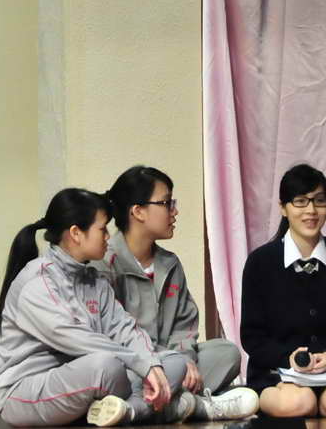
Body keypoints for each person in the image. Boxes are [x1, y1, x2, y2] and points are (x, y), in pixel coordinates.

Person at [0, 188, 196, 427]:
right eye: (102, 229)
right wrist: (141, 366)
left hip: (84, 382)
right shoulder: (37, 281)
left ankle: (126, 412)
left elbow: (124, 328)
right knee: (106, 367)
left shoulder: (95, 280)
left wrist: (151, 364)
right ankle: (173, 408)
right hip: (23, 392)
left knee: (173, 362)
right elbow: (77, 338)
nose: (108, 236)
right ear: (76, 233)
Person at [95, 165, 257, 421]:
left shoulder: (170, 263)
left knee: (227, 353)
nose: (174, 211)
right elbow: (109, 336)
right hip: (132, 366)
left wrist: (185, 358)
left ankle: (168, 403)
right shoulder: (105, 264)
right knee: (114, 371)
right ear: (138, 211)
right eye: (166, 203)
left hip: (173, 365)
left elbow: (185, 325)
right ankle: (194, 406)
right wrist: (171, 361)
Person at [240, 164, 326, 417]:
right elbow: (252, 336)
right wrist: (287, 358)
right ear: (283, 207)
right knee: (299, 403)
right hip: (277, 373)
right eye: (300, 201)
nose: (311, 210)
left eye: (319, 201)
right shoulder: (260, 263)